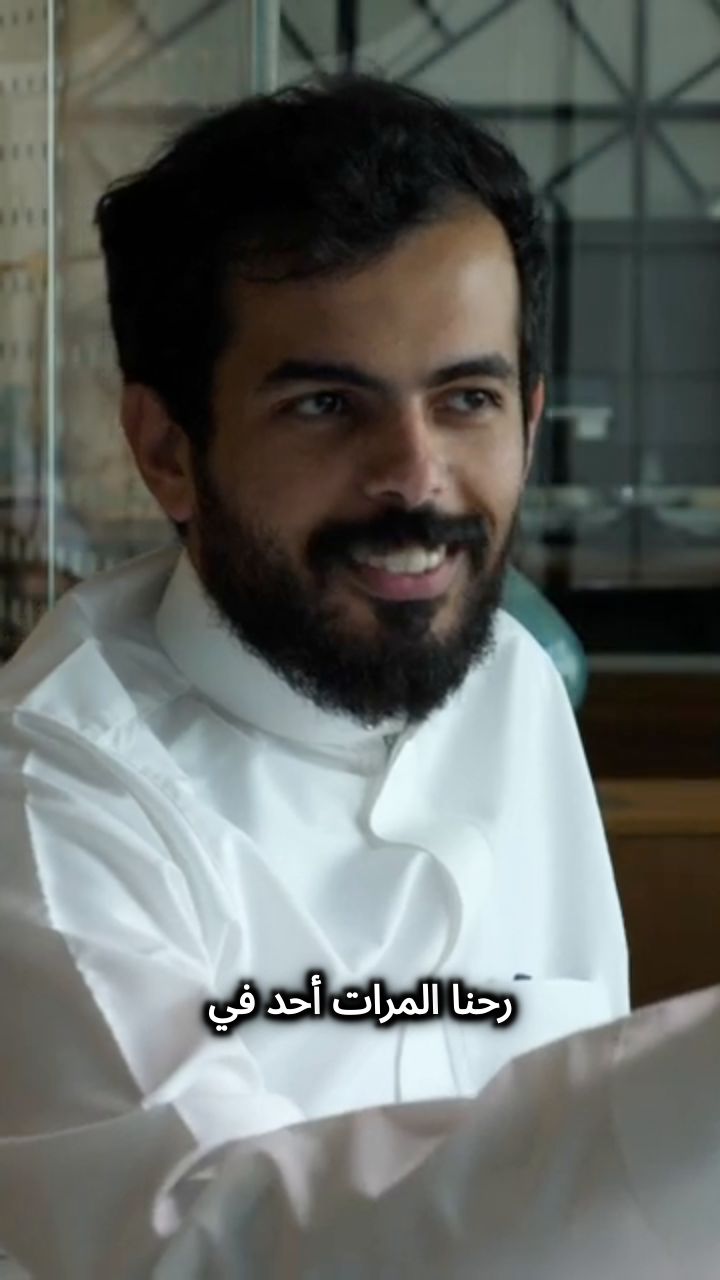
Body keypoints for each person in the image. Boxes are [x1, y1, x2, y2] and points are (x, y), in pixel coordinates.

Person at [0, 75, 628, 1277]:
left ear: (530, 419)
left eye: (468, 398)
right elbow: (224, 1245)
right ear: (167, 450)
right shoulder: (48, 792)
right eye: (327, 403)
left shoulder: (513, 684)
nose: (417, 478)